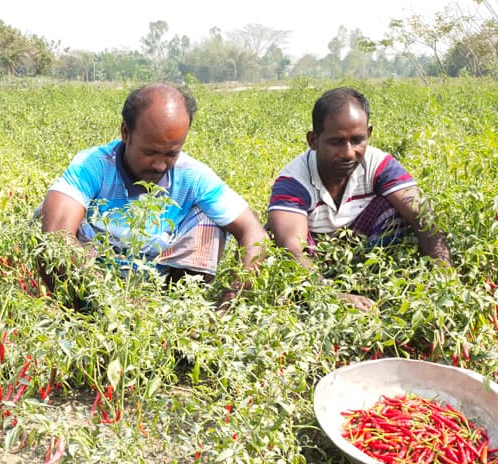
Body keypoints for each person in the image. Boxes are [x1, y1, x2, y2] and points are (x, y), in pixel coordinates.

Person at [38, 83, 268, 306]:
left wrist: (227, 306)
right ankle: (75, 314)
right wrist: (116, 301)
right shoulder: (94, 165)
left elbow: (253, 233)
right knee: (49, 220)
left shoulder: (193, 176)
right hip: (92, 283)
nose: (159, 165)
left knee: (210, 221)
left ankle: (178, 314)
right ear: (126, 132)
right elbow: (56, 235)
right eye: (149, 152)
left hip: (158, 288)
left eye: (171, 154)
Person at [267, 87, 451, 311]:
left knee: (401, 208)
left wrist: (443, 278)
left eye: (357, 140)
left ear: (369, 134)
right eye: (335, 142)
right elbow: (293, 251)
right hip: (315, 262)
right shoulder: (294, 182)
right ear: (313, 140)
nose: (348, 152)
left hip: (364, 251)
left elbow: (424, 218)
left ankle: (374, 285)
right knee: (274, 236)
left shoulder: (378, 164)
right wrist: (332, 295)